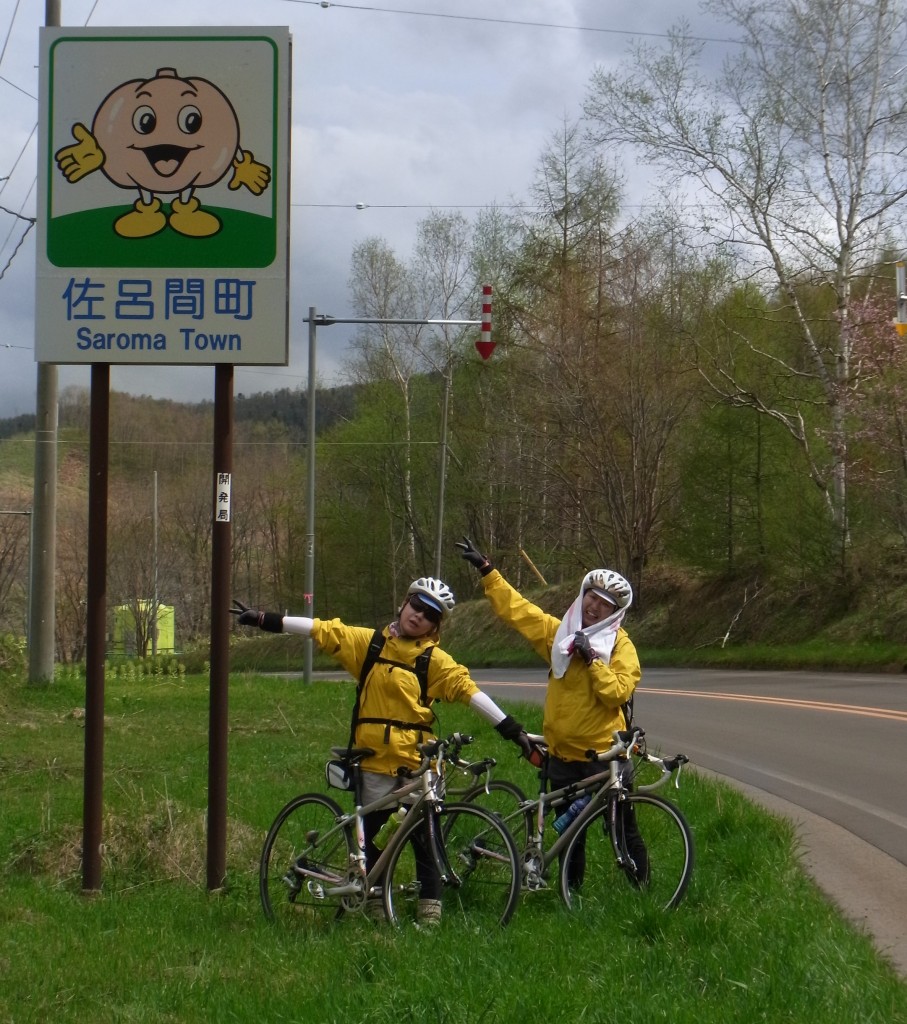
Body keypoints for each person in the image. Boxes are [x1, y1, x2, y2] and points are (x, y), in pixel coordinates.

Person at [232, 575, 536, 925]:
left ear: (436, 625)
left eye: (430, 614)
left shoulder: (433, 660)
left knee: (426, 839)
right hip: (373, 760)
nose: (420, 616)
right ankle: (373, 902)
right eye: (417, 605)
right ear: (404, 603)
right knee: (373, 839)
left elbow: (470, 693)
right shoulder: (371, 644)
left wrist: (513, 731)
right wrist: (263, 619)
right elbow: (322, 630)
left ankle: (430, 913)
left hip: (416, 764)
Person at [455, 538, 648, 887]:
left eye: (605, 604)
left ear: (615, 613)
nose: (594, 606)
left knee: (623, 829)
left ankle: (644, 891)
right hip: (561, 756)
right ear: (582, 595)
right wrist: (488, 572)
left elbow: (616, 692)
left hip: (603, 757)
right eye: (591, 596)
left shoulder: (620, 646)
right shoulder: (560, 635)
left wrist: (591, 659)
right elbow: (518, 611)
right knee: (569, 835)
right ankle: (569, 894)